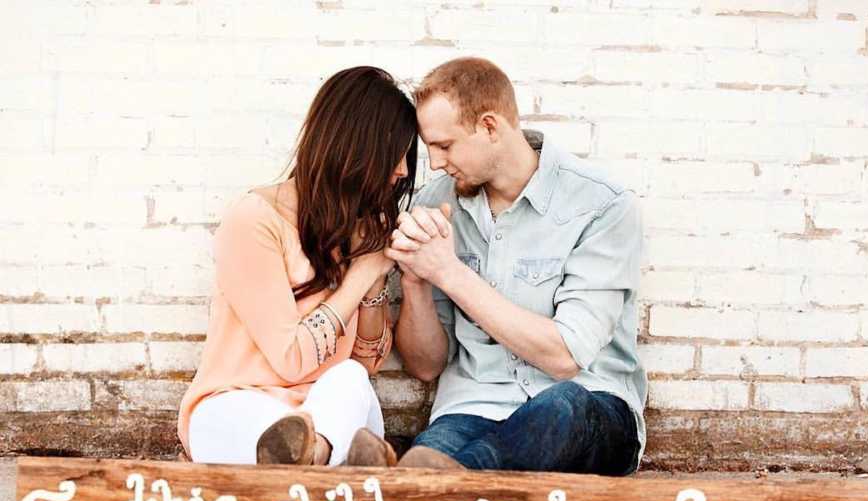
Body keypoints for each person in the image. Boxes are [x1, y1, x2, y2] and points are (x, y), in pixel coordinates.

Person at [388, 57, 647, 475]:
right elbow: (425, 365)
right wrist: (416, 280)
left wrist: (449, 272)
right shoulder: (436, 203)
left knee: (562, 407)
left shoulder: (601, 205)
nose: (435, 163)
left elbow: (565, 357)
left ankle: (417, 484)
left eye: (444, 145)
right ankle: (422, 483)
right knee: (437, 446)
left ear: (489, 127)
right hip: (475, 406)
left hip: (587, 405)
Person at [177, 66, 417, 467]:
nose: (403, 171)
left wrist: (375, 273)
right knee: (262, 429)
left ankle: (312, 457)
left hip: (327, 412)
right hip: (240, 407)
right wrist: (360, 277)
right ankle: (326, 462)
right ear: (355, 147)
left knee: (349, 379)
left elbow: (367, 362)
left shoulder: (356, 228)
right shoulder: (253, 220)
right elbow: (290, 359)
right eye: (394, 153)